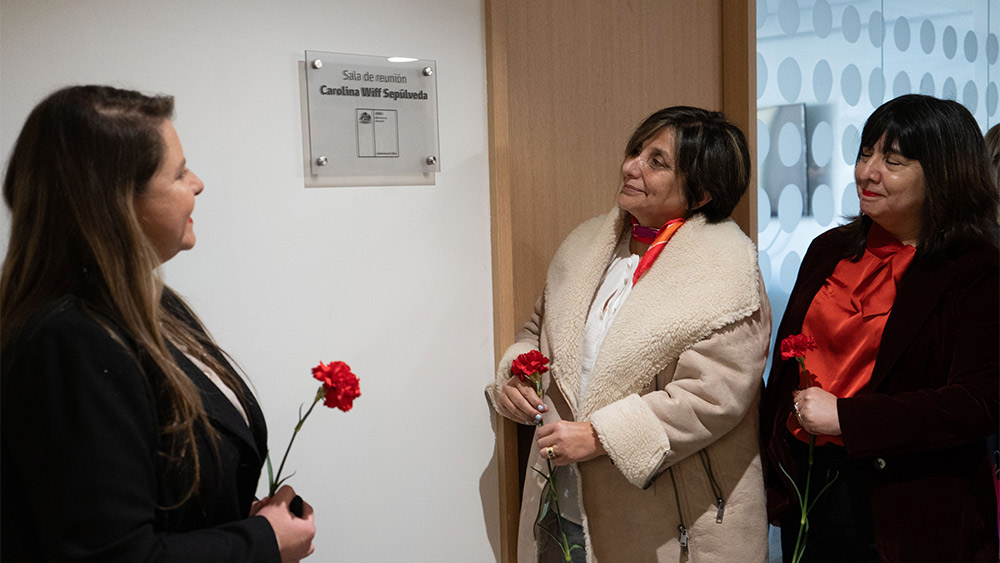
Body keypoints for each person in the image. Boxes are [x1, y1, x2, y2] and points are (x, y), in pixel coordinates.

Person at [0, 85, 316, 562]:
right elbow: (110, 553)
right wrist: (262, 543)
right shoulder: (68, 340)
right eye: (179, 172)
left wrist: (233, 517)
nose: (198, 183)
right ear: (117, 203)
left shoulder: (154, 303)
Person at [487, 106, 771, 562]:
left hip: (668, 516)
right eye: (636, 151)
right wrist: (518, 375)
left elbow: (715, 395)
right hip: (561, 499)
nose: (630, 166)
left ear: (701, 192)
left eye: (656, 161)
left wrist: (601, 436)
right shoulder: (586, 245)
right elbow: (537, 330)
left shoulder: (728, 270)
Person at [760, 94, 999, 563]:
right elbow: (787, 364)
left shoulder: (976, 267)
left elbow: (979, 402)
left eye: (893, 161)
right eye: (866, 153)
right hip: (810, 485)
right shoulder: (829, 247)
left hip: (909, 505)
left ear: (944, 173)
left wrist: (848, 419)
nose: (868, 172)